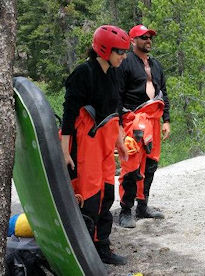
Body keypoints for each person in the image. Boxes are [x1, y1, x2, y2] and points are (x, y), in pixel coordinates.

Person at [61, 25, 129, 265]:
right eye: (120, 51)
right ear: (104, 49)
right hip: (85, 142)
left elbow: (115, 110)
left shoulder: (113, 72)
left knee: (107, 194)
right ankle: (83, 255)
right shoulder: (84, 73)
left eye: (125, 51)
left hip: (106, 142)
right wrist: (64, 151)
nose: (124, 56)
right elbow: (69, 114)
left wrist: (120, 142)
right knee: (88, 199)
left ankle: (102, 248)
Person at [117, 25, 170, 228]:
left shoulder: (156, 65)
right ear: (133, 41)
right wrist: (120, 125)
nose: (148, 40)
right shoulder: (125, 63)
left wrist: (166, 120)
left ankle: (143, 205)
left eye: (150, 37)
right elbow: (117, 95)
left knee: (151, 164)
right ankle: (125, 210)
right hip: (133, 120)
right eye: (143, 37)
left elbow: (162, 93)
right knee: (131, 166)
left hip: (154, 120)